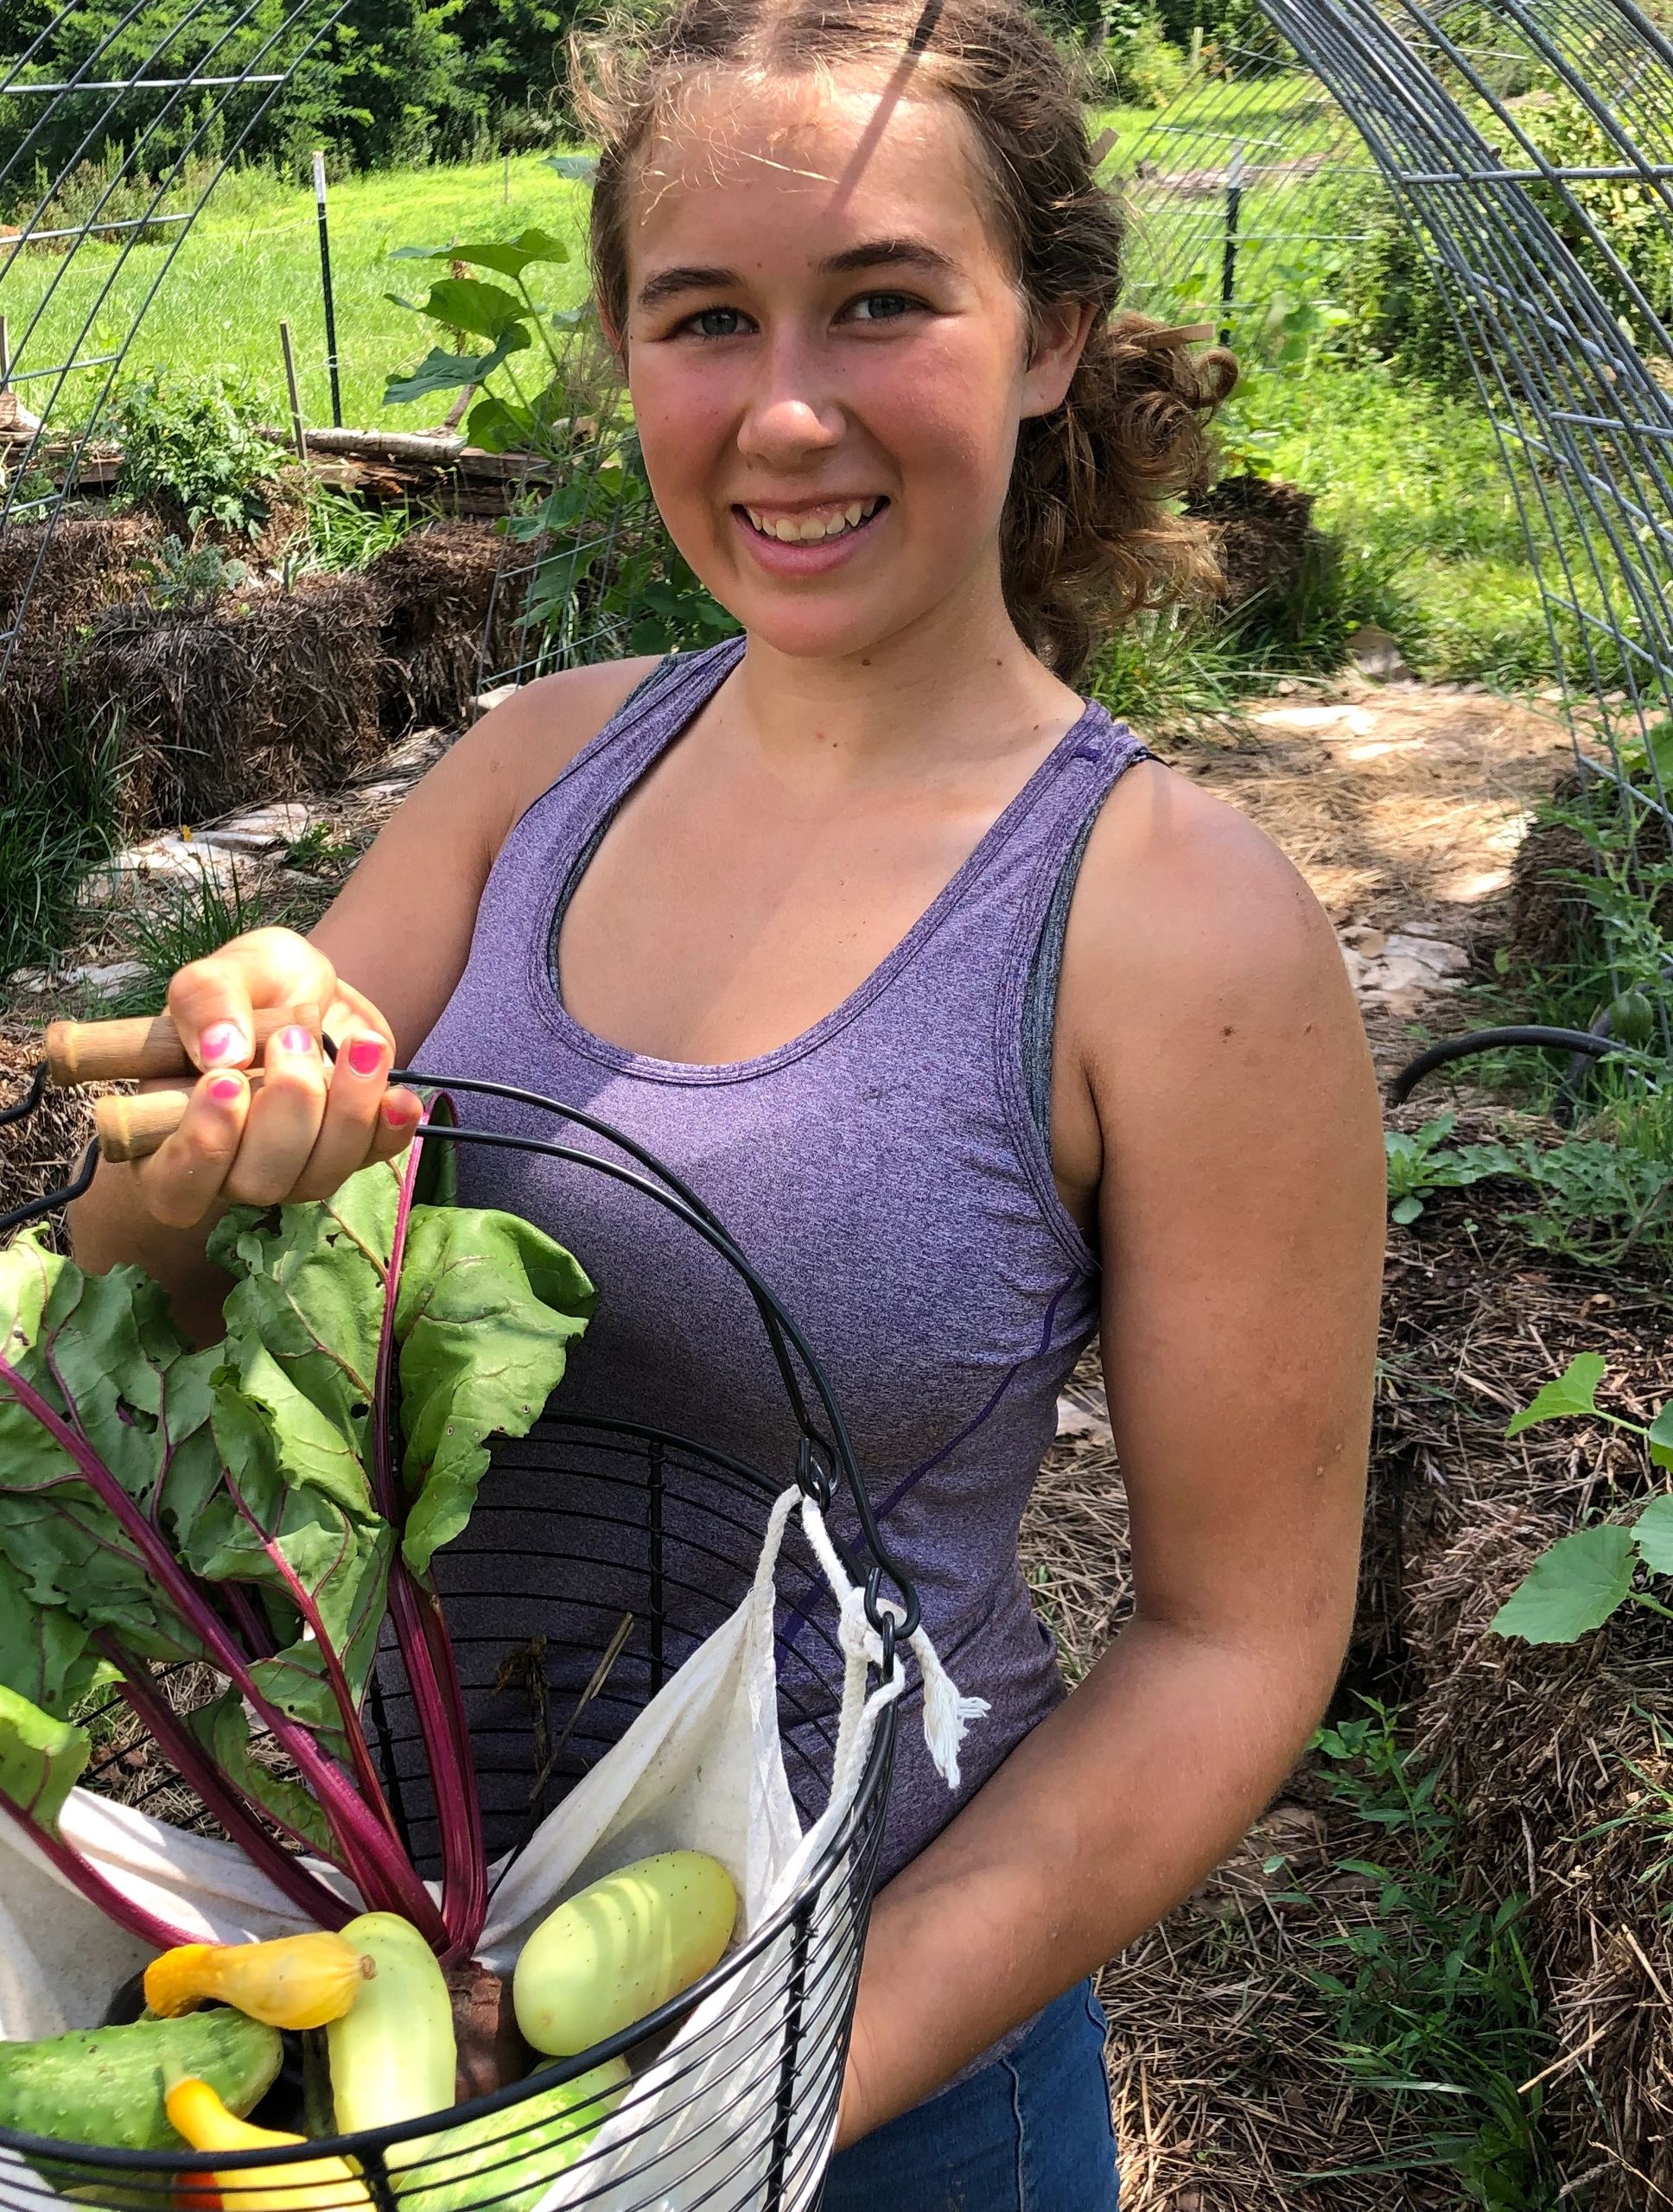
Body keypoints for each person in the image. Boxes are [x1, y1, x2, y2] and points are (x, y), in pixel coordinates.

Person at [68, 0, 1384, 2200]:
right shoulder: (527, 775)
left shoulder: (1172, 926)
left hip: (857, 2078)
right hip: (392, 1999)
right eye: (704, 319)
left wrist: (759, 2093)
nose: (784, 413)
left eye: (881, 301)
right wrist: (221, 1117)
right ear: (625, 351)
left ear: (1048, 332)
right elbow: (142, 1310)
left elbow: (1235, 1636)